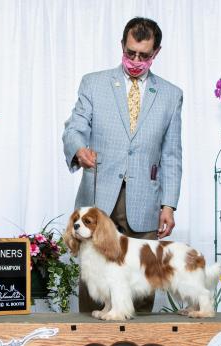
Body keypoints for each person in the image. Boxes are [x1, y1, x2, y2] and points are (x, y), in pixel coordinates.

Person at [62, 17, 183, 314]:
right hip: (98, 196)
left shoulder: (171, 94)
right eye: (130, 53)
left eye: (144, 56)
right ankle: (90, 344)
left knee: (142, 276)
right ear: (122, 46)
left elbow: (171, 154)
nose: (136, 61)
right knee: (95, 271)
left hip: (146, 200)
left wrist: (169, 204)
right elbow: (74, 128)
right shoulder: (94, 83)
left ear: (156, 52)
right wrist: (79, 149)